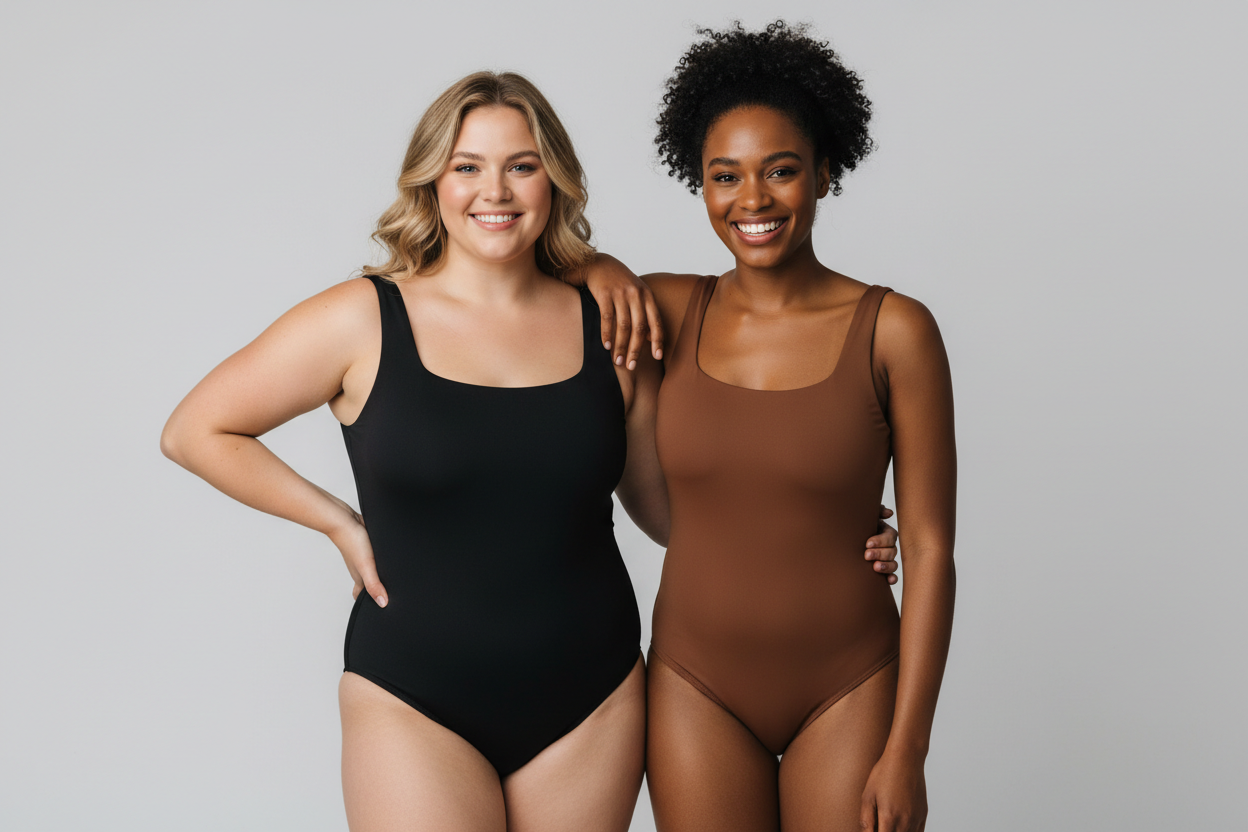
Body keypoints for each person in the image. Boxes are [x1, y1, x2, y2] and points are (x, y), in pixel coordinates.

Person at [160, 69, 903, 831]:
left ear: (554, 180)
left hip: (592, 699)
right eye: (467, 166)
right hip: (411, 692)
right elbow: (196, 431)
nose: (496, 191)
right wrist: (339, 524)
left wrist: (823, 536)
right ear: (432, 181)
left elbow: (672, 515)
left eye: (521, 166)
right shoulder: (361, 319)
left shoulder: (612, 328)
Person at [587, 21, 956, 832]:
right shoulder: (666, 308)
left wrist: (908, 750)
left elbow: (930, 551)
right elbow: (535, 273)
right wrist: (600, 264)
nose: (751, 201)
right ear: (700, 183)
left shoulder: (896, 332)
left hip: (850, 684)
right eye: (725, 176)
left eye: (780, 171)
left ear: (824, 172)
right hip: (694, 686)